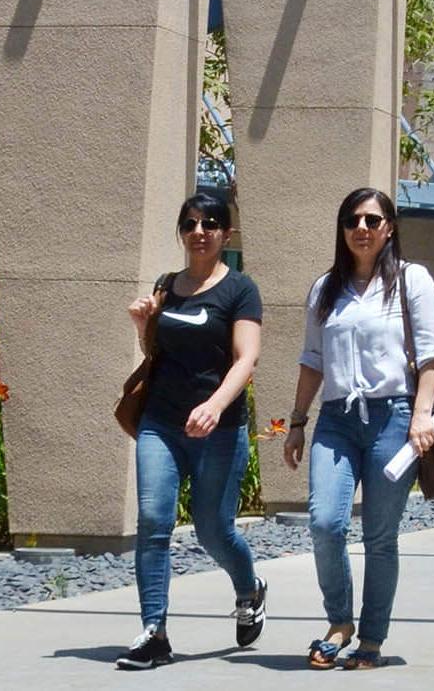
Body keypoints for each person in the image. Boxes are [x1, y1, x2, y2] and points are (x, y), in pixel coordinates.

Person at [283, 186, 434, 671]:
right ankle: (340, 621)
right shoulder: (324, 289)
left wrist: (421, 415)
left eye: (373, 221)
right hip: (336, 419)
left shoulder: (412, 281)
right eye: (353, 220)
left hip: (393, 418)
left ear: (389, 228)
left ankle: (371, 639)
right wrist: (296, 422)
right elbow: (312, 360)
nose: (362, 228)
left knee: (379, 536)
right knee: (325, 523)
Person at [115, 192, 269, 671]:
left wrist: (215, 405)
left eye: (210, 223)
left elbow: (247, 357)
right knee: (153, 523)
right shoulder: (167, 285)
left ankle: (250, 588)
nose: (199, 232)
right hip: (161, 422)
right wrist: (145, 324)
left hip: (218, 428)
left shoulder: (240, 290)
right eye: (190, 223)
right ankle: (154, 632)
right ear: (181, 231)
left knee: (213, 530)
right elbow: (157, 352)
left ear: (226, 233)